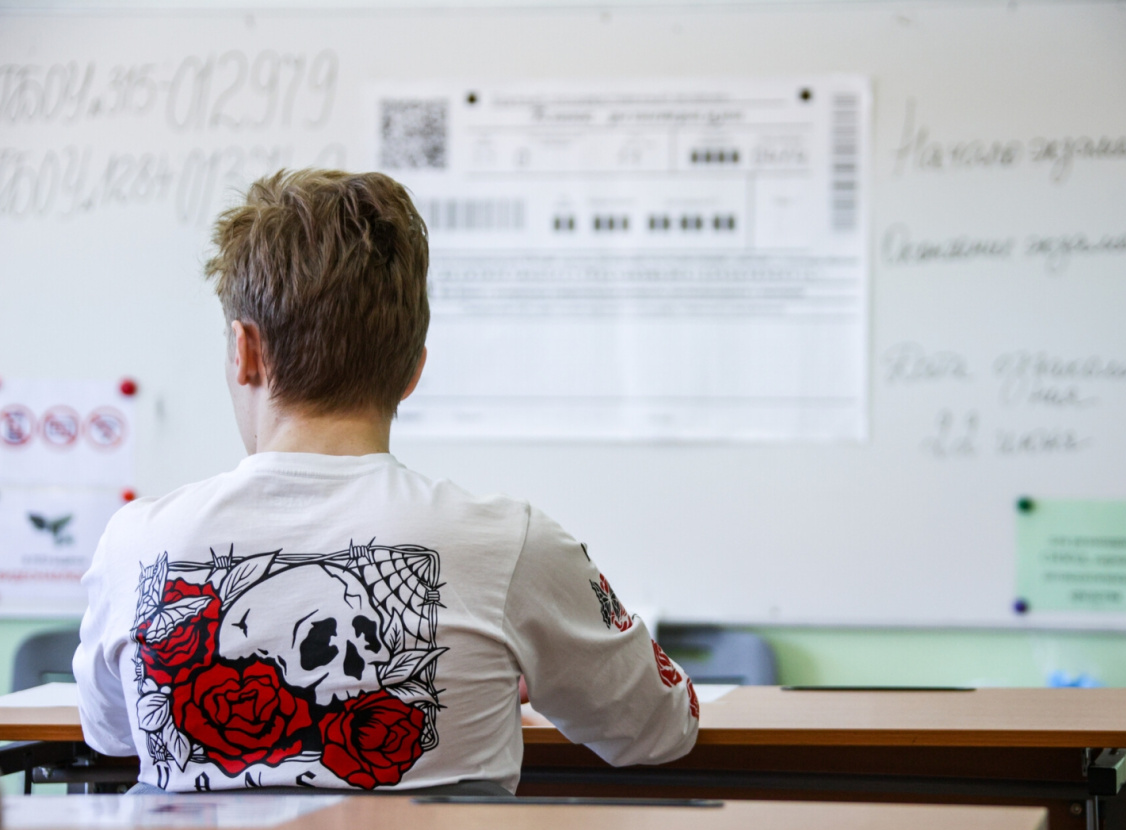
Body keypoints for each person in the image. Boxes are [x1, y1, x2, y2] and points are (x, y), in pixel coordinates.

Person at [72, 169, 699, 794]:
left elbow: (109, 734)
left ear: (245, 351)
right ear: (412, 370)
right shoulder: (511, 543)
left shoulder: (135, 546)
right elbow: (659, 728)